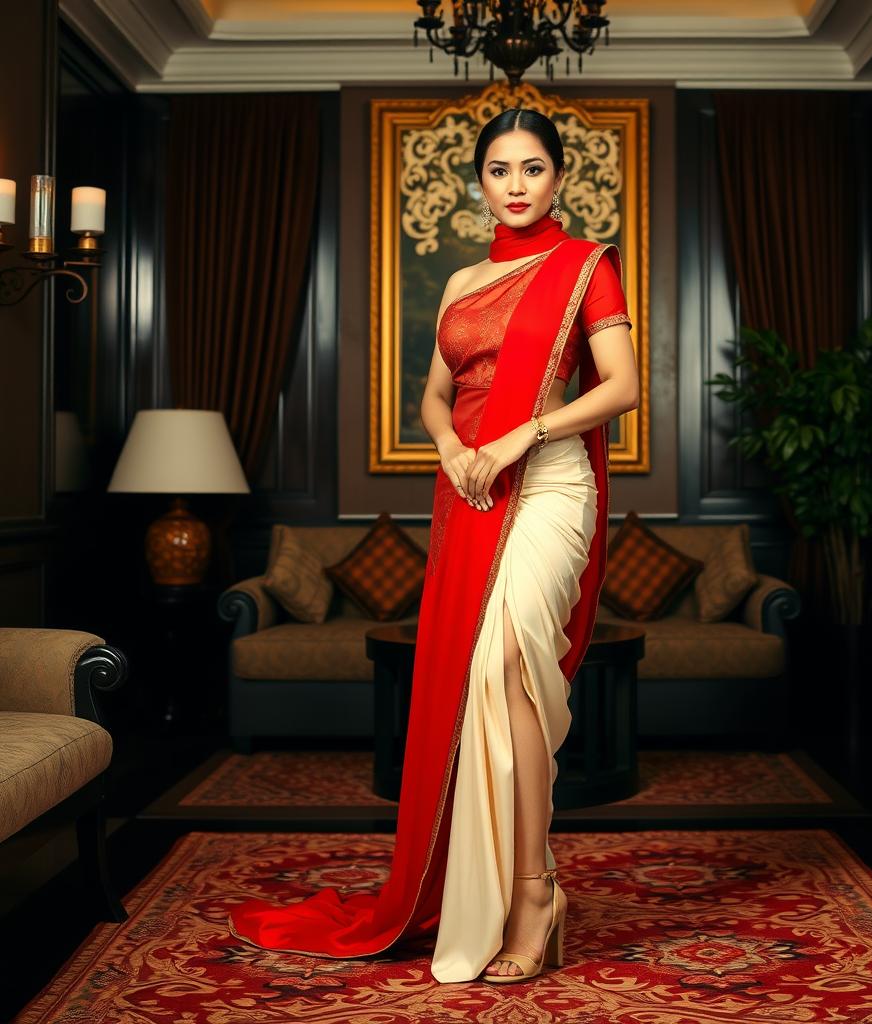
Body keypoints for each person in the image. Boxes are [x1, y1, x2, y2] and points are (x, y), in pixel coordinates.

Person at [227, 106, 639, 984]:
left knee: (512, 667)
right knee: (476, 677)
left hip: (554, 484)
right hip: (472, 490)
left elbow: (624, 389)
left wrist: (523, 435)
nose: (517, 185)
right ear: (479, 182)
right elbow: (435, 395)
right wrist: (452, 448)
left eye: (533, 169)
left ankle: (534, 891)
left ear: (559, 178)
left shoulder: (586, 269)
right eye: (500, 170)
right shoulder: (458, 284)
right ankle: (517, 891)